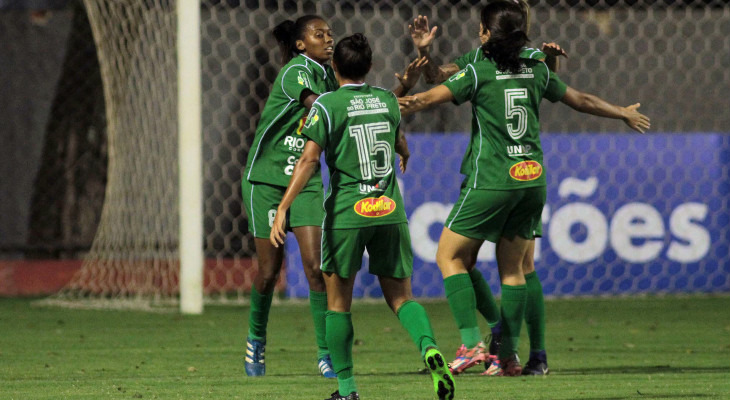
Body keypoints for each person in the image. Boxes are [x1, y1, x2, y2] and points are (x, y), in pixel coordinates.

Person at [399, 0, 649, 377]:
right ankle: (508, 355)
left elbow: (426, 96)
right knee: (514, 268)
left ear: (485, 31)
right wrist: (622, 112)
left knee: (448, 256)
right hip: (531, 179)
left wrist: (373, 104)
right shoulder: (535, 65)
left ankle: (472, 346)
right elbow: (580, 100)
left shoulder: (479, 68)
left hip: (492, 178)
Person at [271, 33, 455, 400]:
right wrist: (404, 153)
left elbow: (309, 160)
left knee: (338, 304)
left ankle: (347, 390)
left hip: (347, 215)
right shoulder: (387, 100)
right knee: (402, 298)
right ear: (370, 67)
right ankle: (429, 348)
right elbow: (399, 140)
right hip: (388, 210)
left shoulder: (326, 105)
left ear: (334, 67)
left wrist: (284, 206)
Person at [406, 1, 566, 376]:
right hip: (527, 174)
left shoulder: (524, 56)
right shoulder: (483, 55)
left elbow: (541, 84)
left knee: (501, 262)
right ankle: (505, 346)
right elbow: (437, 77)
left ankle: (522, 350)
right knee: (487, 262)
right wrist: (424, 53)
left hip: (495, 174)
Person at [242, 15, 338, 378]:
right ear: (301, 44)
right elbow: (319, 105)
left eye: (330, 34)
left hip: (306, 179)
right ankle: (255, 340)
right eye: (319, 35)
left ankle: (326, 354)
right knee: (269, 272)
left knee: (316, 268)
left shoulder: (329, 75)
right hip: (266, 183)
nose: (328, 40)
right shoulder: (296, 70)